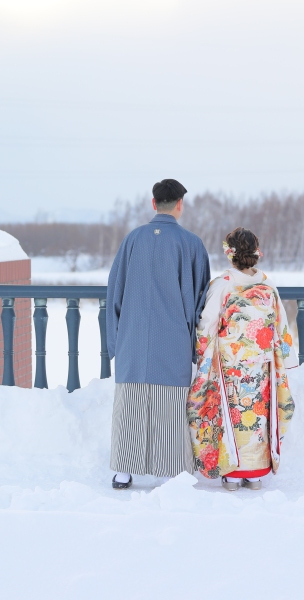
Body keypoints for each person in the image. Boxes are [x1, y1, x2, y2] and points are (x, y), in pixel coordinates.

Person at [107, 179, 210, 489]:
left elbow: (116, 290)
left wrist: (116, 340)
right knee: (172, 404)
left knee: (130, 402)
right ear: (180, 204)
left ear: (154, 203)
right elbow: (200, 299)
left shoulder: (133, 239)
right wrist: (196, 345)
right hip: (174, 337)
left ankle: (123, 470)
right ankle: (171, 470)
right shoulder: (191, 243)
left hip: (133, 337)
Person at [187, 227, 298, 491]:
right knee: (258, 413)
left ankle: (233, 474)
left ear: (230, 254)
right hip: (261, 362)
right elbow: (280, 325)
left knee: (232, 412)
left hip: (229, 362)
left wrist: (202, 350)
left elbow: (207, 322)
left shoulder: (223, 283)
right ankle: (256, 474)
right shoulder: (267, 284)